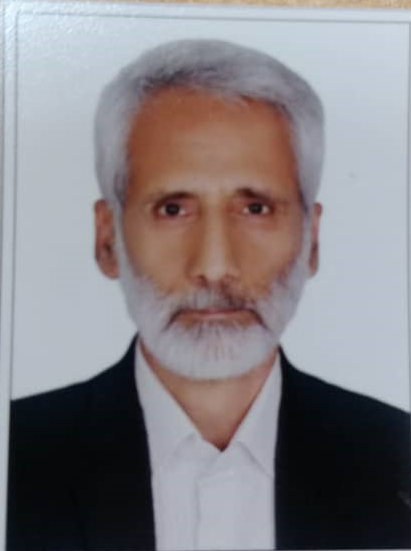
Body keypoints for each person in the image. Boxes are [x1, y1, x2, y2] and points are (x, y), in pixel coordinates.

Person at [7, 39, 410, 551]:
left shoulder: (395, 458)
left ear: (311, 240)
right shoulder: (14, 459)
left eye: (256, 209)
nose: (215, 267)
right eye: (173, 209)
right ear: (107, 240)